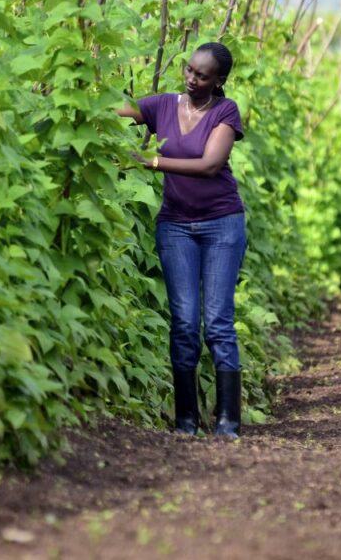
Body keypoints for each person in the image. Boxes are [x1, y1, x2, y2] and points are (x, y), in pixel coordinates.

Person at [116, 42, 247, 438]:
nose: (192, 79)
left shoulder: (225, 111)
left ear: (219, 80)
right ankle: (186, 420)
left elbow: (209, 165)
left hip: (222, 224)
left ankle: (228, 421)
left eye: (202, 75)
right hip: (175, 226)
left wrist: (148, 161)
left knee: (218, 323)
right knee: (185, 323)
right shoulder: (162, 106)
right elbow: (112, 110)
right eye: (189, 70)